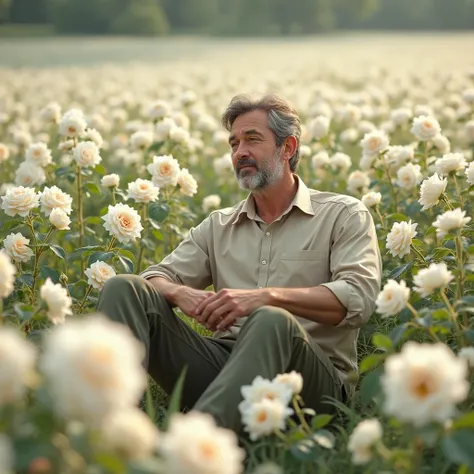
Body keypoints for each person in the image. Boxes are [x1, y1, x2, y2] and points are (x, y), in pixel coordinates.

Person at [96, 93, 382, 435]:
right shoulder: (218, 226)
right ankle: (107, 434)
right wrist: (180, 293)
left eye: (252, 139)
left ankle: (191, 450)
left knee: (271, 320)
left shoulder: (343, 215)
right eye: (234, 143)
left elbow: (359, 298)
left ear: (288, 148)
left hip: (307, 387)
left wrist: (267, 297)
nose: (239, 152)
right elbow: (155, 277)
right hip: (221, 367)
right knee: (124, 288)